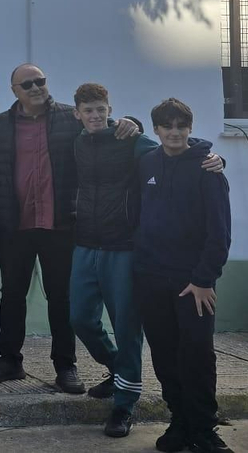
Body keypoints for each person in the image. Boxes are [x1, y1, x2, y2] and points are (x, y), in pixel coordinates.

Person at [0, 65, 221, 391]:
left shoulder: (68, 117)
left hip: (61, 225)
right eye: (27, 83)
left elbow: (145, 137)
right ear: (14, 90)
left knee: (62, 299)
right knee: (12, 296)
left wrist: (205, 152)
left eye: (41, 81)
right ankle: (9, 359)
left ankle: (65, 366)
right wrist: (0, 214)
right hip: (15, 226)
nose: (35, 87)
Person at [135, 99, 231, 453]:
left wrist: (204, 279)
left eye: (181, 126)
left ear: (190, 128)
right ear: (156, 129)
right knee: (164, 354)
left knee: (197, 355)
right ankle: (179, 421)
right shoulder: (146, 162)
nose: (174, 133)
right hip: (151, 279)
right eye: (167, 126)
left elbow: (219, 232)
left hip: (194, 283)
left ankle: (205, 430)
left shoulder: (208, 169)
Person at [69, 83, 155, 438]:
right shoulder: (78, 143)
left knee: (126, 325)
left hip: (122, 247)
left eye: (99, 109)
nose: (94, 116)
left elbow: (171, 148)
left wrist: (213, 157)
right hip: (86, 244)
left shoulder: (130, 139)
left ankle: (124, 405)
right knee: (81, 318)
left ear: (109, 109)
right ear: (77, 113)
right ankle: (119, 367)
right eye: (87, 110)